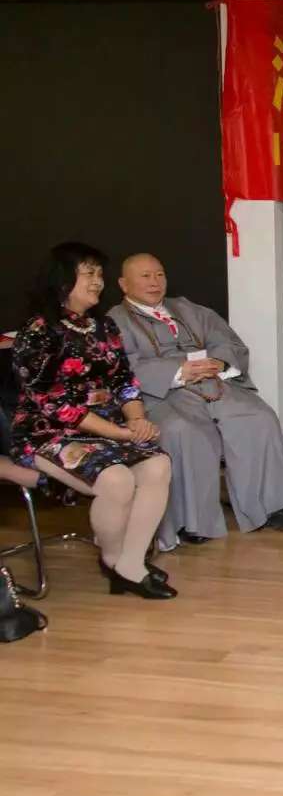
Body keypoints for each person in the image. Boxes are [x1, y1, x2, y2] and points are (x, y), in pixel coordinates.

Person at [8, 242, 176, 599]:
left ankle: (131, 564)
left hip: (106, 429)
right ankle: (115, 562)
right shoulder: (38, 331)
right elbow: (55, 405)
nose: (98, 281)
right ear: (63, 280)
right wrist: (121, 433)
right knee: (116, 479)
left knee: (158, 465)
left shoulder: (104, 326)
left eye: (99, 274)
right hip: (47, 434)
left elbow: (124, 381)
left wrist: (136, 420)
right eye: (88, 273)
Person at [107, 254, 283, 550]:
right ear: (124, 284)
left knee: (258, 418)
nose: (155, 282)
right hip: (162, 393)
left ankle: (270, 506)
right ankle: (193, 520)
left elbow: (227, 342)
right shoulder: (114, 321)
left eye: (159, 275)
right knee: (184, 431)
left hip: (213, 384)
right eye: (145, 276)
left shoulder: (189, 309)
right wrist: (177, 371)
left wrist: (220, 362)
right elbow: (121, 368)